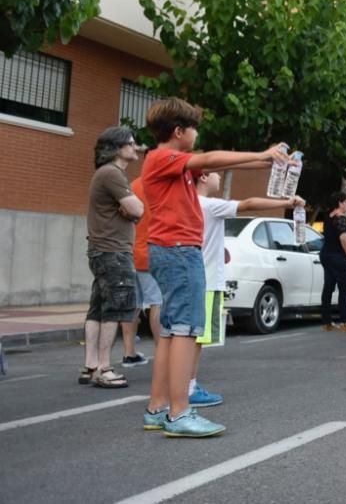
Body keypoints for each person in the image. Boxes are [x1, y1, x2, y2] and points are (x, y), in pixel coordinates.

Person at [141, 96, 290, 437]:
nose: (196, 135)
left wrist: (269, 160)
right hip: (180, 251)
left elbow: (218, 164)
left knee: (170, 331)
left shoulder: (165, 162)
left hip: (170, 250)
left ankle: (158, 407)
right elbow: (209, 158)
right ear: (179, 131)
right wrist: (261, 154)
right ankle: (179, 413)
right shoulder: (164, 157)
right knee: (185, 329)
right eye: (193, 128)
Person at [193, 171, 304, 406]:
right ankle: (188, 387)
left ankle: (181, 387)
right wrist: (286, 202)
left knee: (185, 336)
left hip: (194, 277)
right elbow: (249, 203)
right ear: (203, 177)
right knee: (196, 339)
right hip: (208, 278)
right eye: (215, 173)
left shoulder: (187, 203)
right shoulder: (210, 205)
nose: (219, 177)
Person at [80, 126, 144, 389]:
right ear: (119, 148)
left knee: (97, 307)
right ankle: (104, 368)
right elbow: (138, 209)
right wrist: (131, 210)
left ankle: (90, 365)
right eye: (131, 143)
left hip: (101, 250)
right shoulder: (112, 173)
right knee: (115, 308)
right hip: (113, 252)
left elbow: (130, 209)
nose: (136, 146)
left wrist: (128, 210)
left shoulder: (106, 173)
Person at [121, 177, 163, 368]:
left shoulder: (133, 185)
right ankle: (162, 352)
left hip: (130, 251)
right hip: (151, 252)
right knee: (157, 302)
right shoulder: (161, 186)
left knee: (133, 304)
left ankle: (129, 353)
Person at [321, 192, 346, 332]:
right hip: (339, 257)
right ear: (340, 203)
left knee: (328, 287)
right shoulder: (340, 218)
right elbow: (343, 238)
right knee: (344, 288)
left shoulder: (328, 216)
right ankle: (345, 321)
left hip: (326, 255)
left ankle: (326, 321)